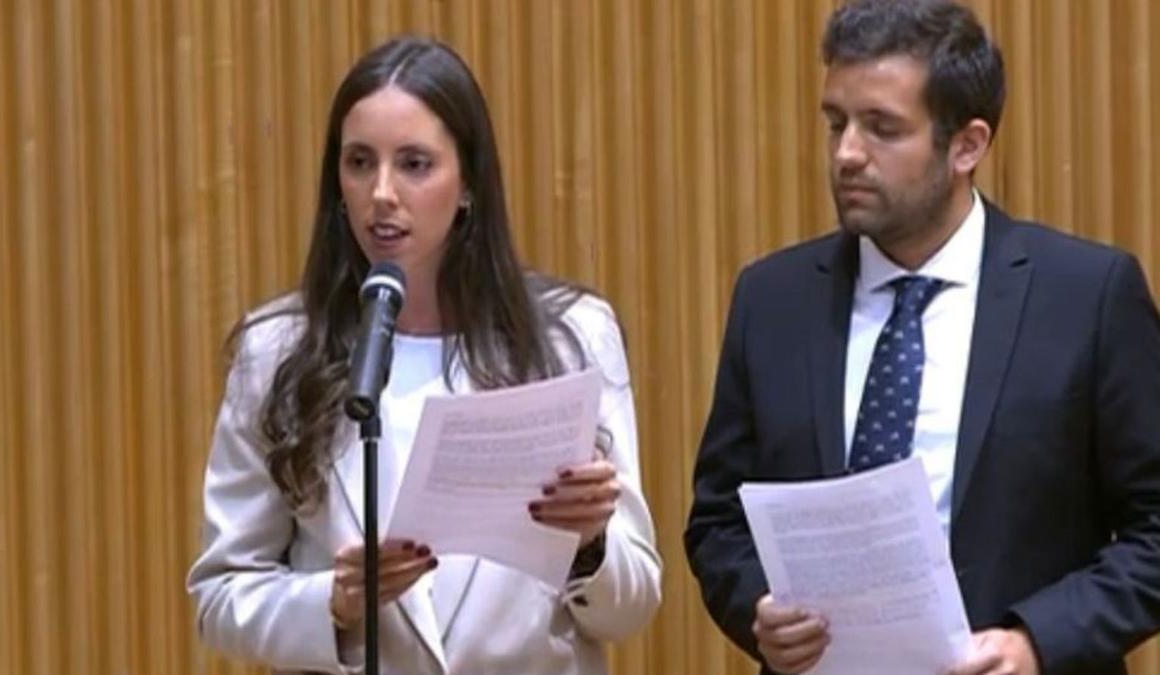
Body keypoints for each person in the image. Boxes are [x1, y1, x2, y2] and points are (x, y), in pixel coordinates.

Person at [684, 1, 1160, 674]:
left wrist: (1036, 641)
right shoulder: (773, 299)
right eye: (836, 122)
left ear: (967, 145)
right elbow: (717, 522)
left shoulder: (1086, 296)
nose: (847, 152)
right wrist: (757, 605)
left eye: (882, 128)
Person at [187, 36, 661, 675]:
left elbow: (631, 609)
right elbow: (220, 592)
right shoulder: (276, 351)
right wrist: (332, 601)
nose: (381, 193)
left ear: (468, 185)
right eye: (359, 162)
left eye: (414, 164)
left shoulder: (569, 339)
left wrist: (590, 544)